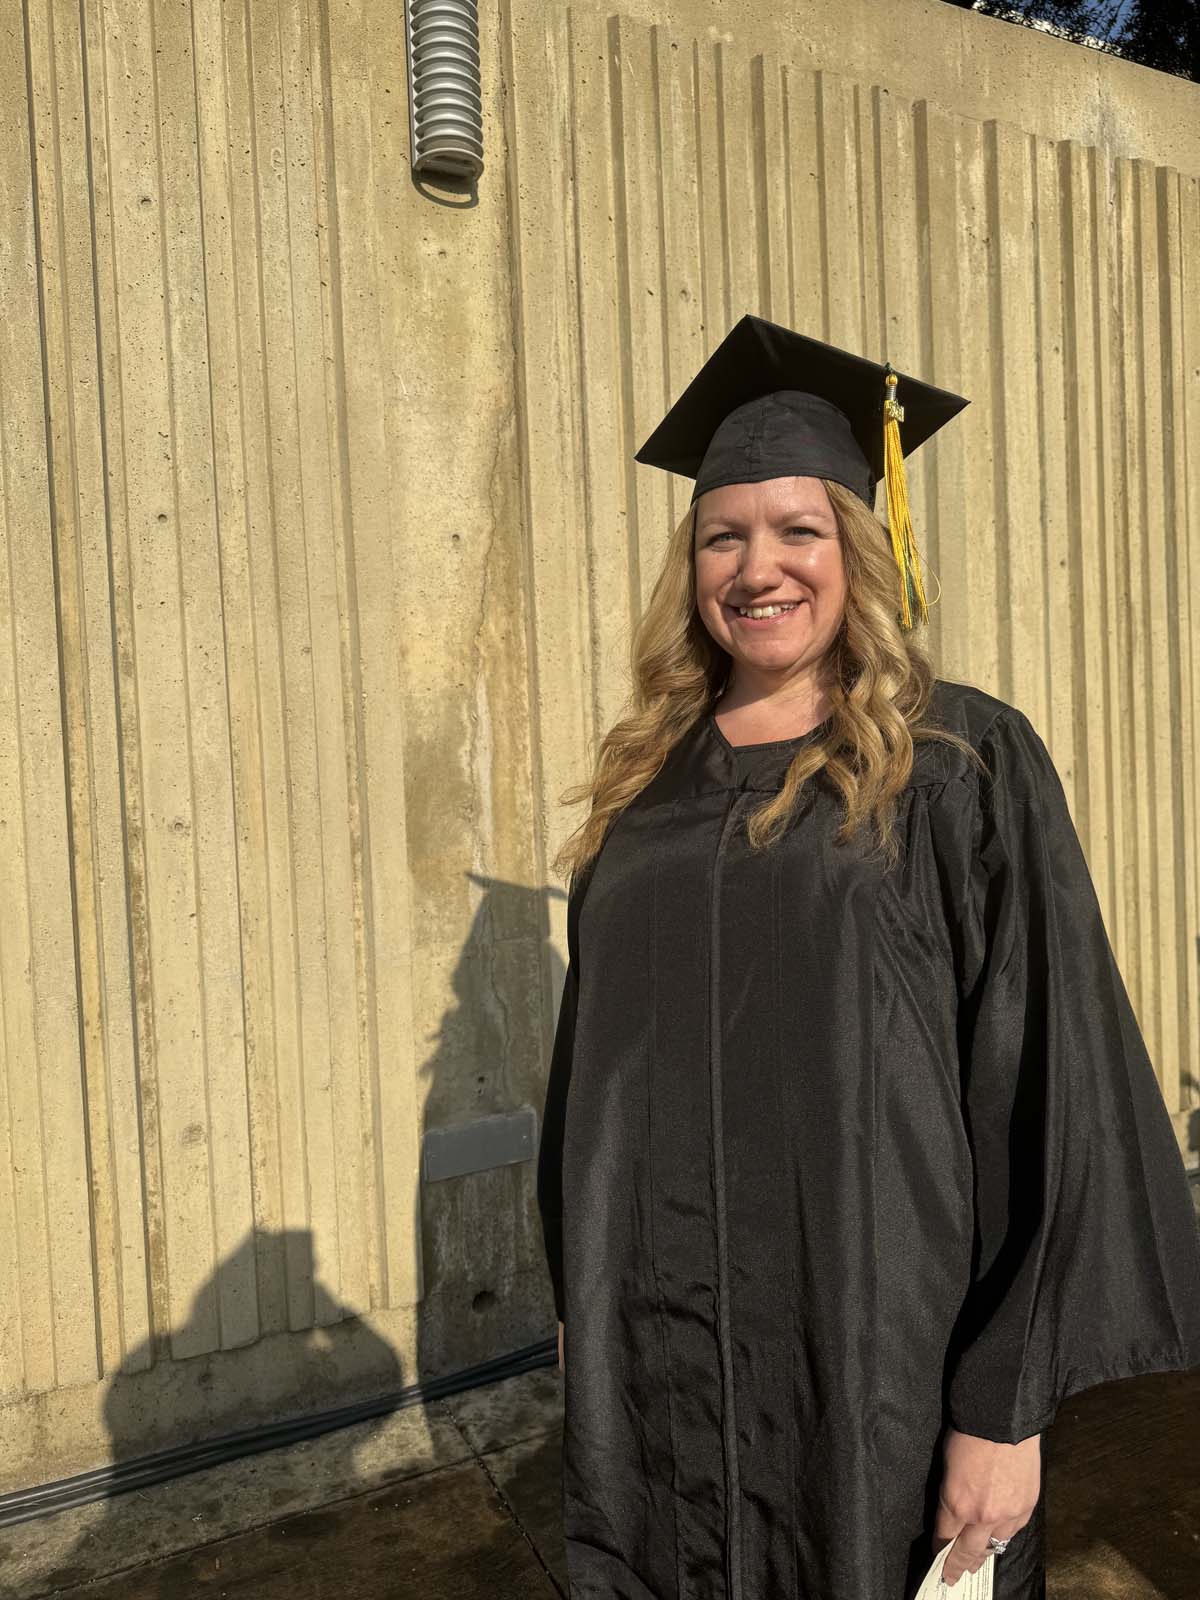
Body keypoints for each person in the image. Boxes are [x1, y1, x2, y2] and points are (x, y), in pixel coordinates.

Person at [535, 315, 1200, 1600]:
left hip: (875, 1373)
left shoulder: (953, 764)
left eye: (800, 530)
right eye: (724, 535)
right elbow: (590, 1086)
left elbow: (1042, 1082)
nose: (758, 566)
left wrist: (1004, 1409)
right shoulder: (645, 790)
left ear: (861, 543)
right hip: (664, 1376)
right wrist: (584, 1300)